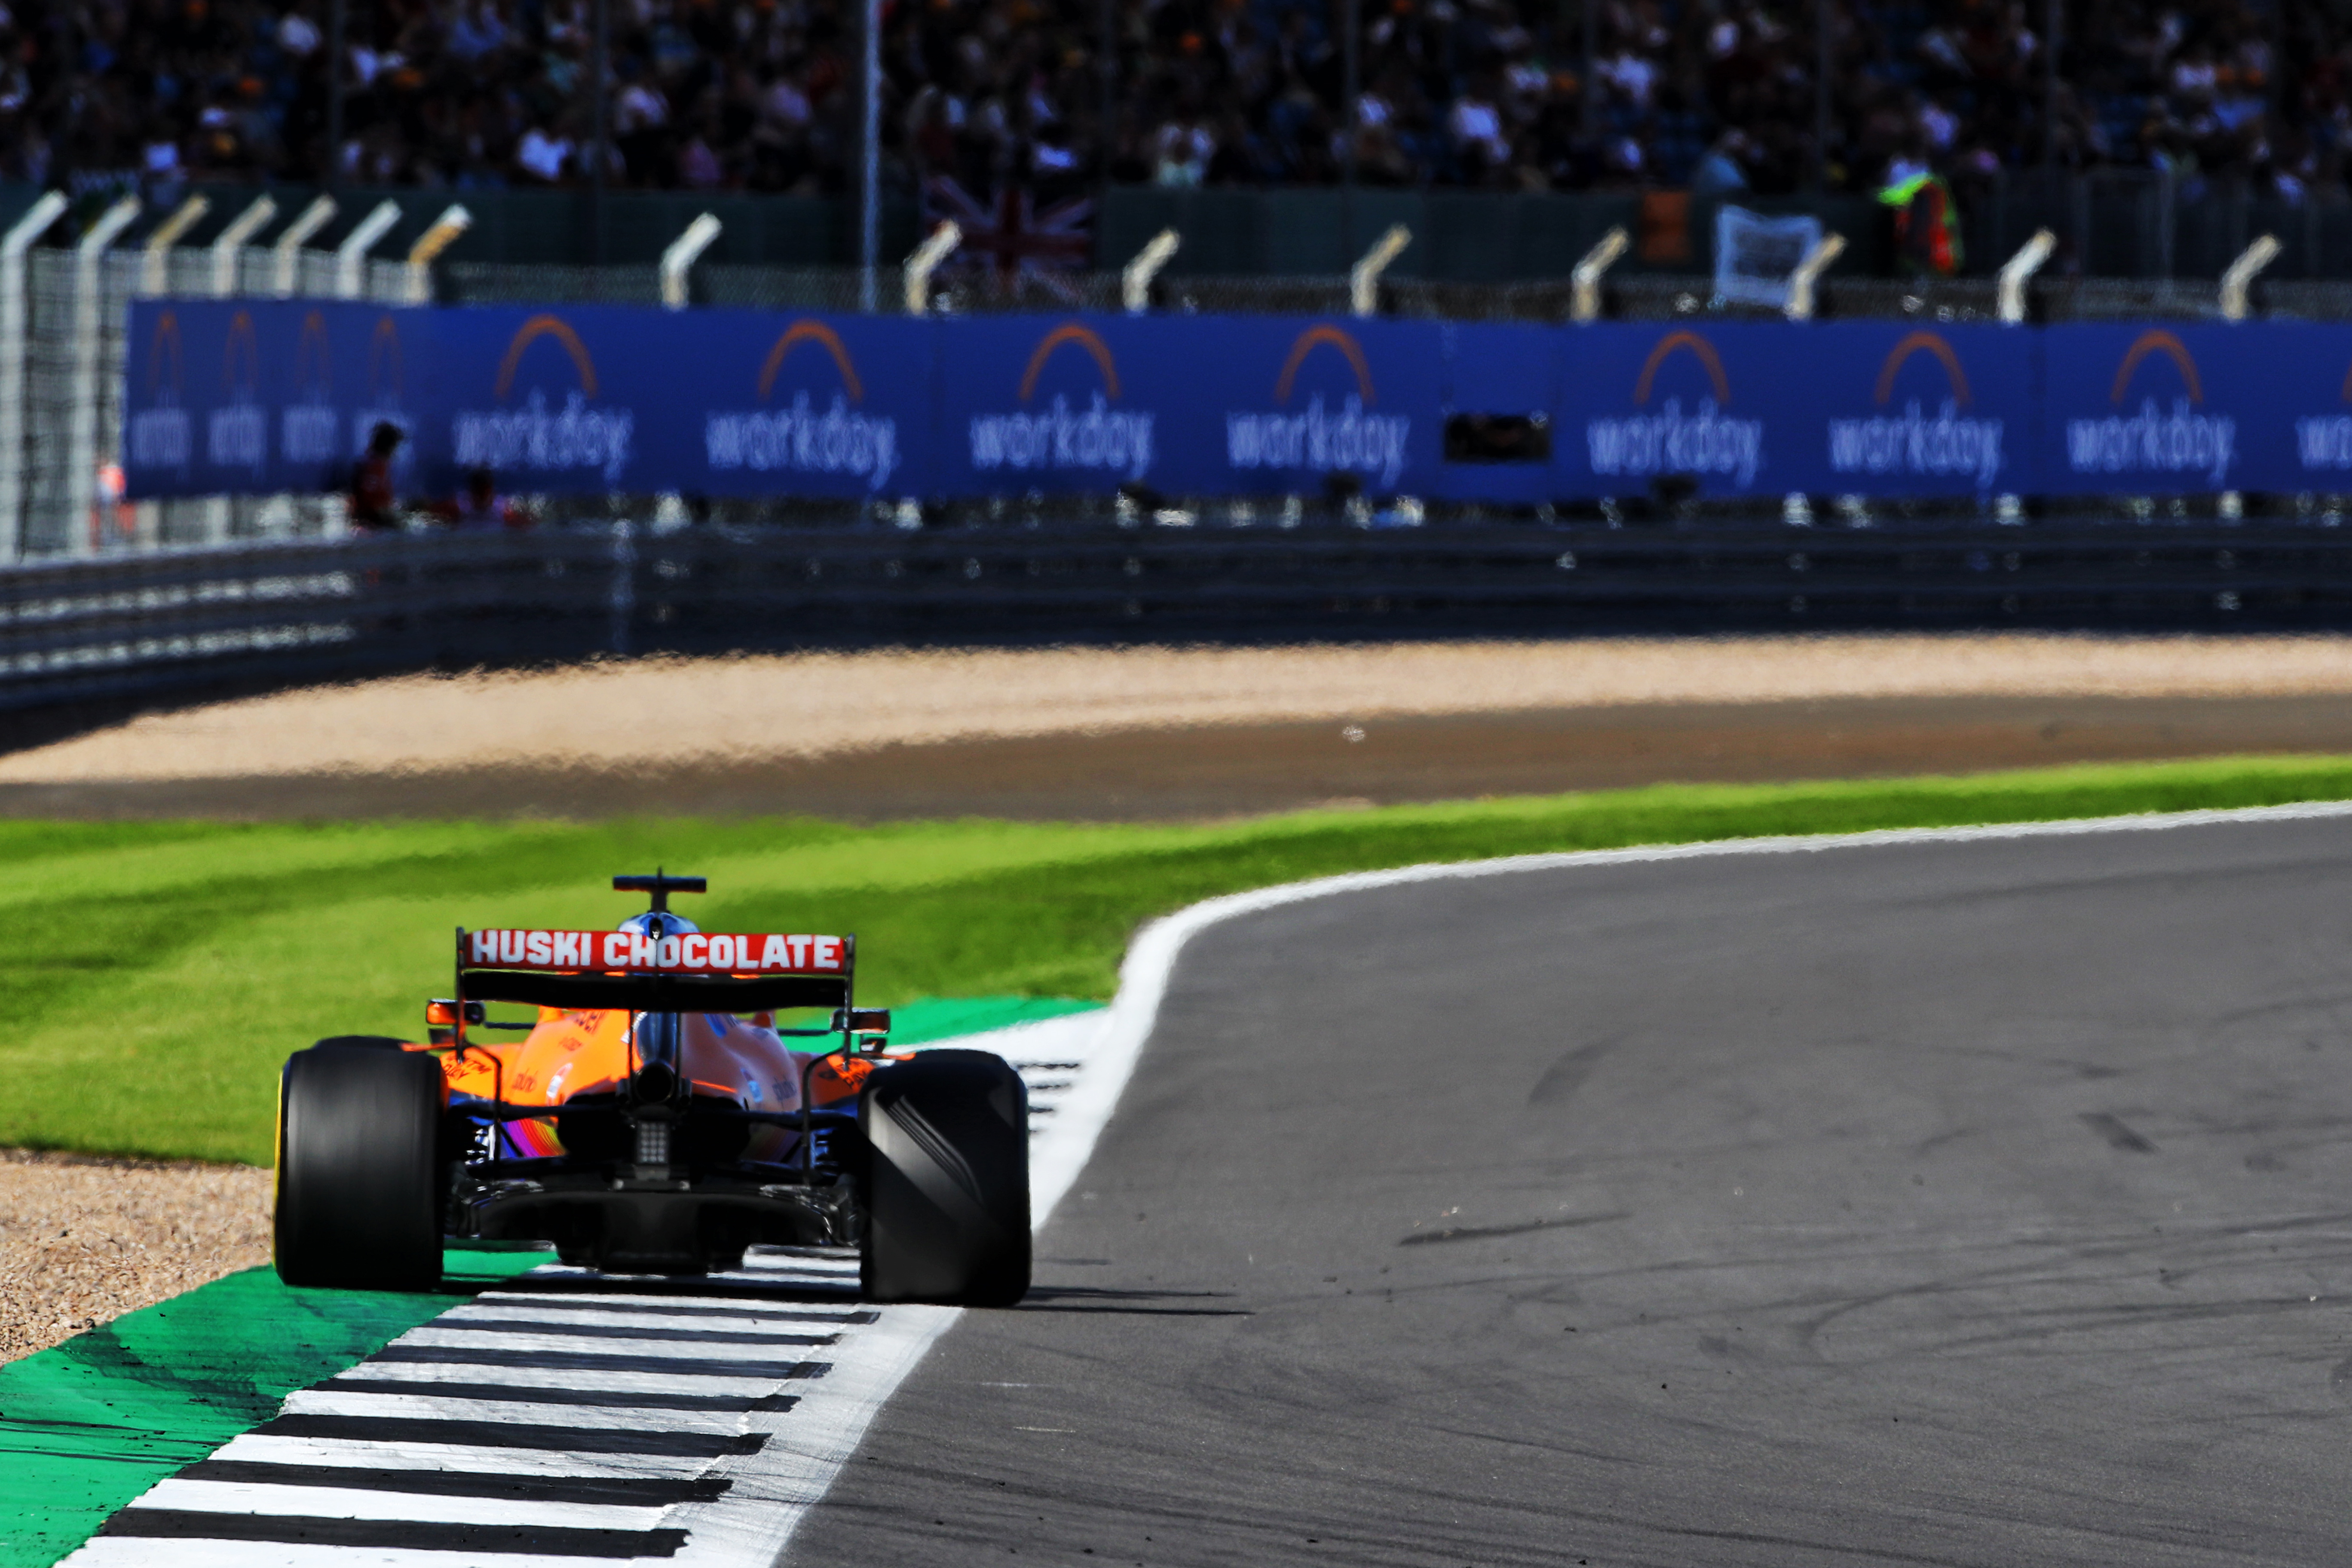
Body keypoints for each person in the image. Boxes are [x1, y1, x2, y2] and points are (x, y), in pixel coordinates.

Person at [348, 422, 404, 533]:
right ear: (389, 446)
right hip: (371, 528)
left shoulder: (379, 464)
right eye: (395, 446)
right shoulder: (374, 466)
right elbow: (368, 503)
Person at [440, 466, 527, 531]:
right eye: (478, 492)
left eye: (484, 491)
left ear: (491, 490)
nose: (480, 496)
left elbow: (525, 526)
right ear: (472, 491)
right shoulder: (461, 505)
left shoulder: (501, 507)